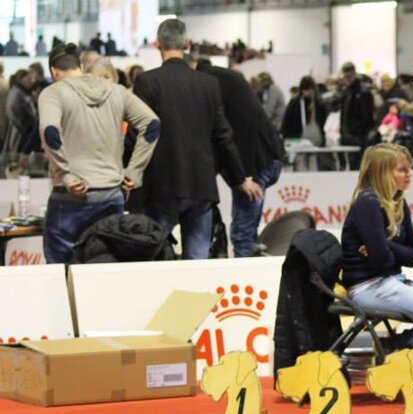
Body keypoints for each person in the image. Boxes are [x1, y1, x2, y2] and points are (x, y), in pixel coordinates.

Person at [133, 18, 259, 259]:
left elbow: (137, 133)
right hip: (201, 185)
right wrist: (239, 179)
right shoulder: (208, 84)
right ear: (187, 43)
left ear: (158, 44)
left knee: (154, 257)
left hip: (161, 185)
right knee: (197, 262)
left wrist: (130, 174)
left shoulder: (146, 82)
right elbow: (223, 136)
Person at [38, 43, 160, 264]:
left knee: (61, 269)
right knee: (105, 265)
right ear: (80, 66)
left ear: (55, 72)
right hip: (111, 193)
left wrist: (66, 174)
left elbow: (50, 132)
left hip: (71, 195)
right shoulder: (116, 91)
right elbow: (151, 124)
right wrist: (133, 172)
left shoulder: (53, 93)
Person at [340, 143, 413, 353]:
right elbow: (382, 261)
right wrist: (386, 249)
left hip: (393, 280)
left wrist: (383, 244)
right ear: (383, 173)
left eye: (409, 168)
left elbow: (412, 257)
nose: (410, 174)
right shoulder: (367, 203)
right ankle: (392, 349)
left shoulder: (398, 202)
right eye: (402, 170)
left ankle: (398, 351)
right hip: (367, 287)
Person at [197, 59, 284, 258]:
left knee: (242, 236)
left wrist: (244, 176)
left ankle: (244, 273)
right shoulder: (226, 79)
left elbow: (227, 136)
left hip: (254, 164)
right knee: (247, 236)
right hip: (264, 157)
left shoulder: (211, 84)